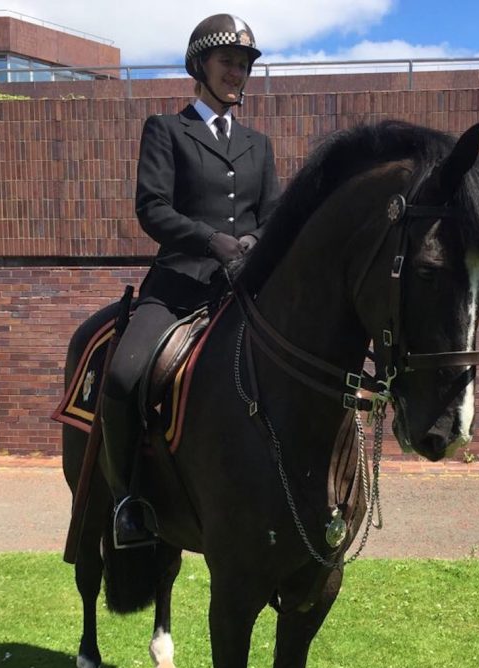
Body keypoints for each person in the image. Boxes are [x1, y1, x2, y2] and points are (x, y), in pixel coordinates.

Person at [100, 13, 279, 548]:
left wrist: (250, 242)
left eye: (244, 65)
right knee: (123, 377)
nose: (237, 73)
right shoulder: (166, 130)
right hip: (179, 286)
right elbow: (151, 208)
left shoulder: (258, 144)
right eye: (228, 61)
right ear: (199, 65)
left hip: (244, 291)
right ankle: (127, 500)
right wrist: (213, 241)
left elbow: (272, 215)